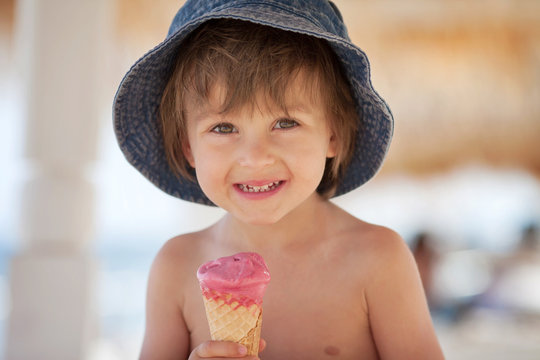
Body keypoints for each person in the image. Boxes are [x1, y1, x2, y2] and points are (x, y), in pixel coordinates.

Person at [113, 1, 444, 359]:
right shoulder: (176, 267)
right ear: (188, 148)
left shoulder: (380, 261)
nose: (255, 157)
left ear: (333, 134)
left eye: (285, 123)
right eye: (223, 128)